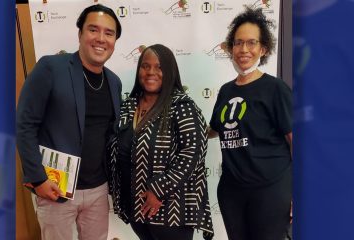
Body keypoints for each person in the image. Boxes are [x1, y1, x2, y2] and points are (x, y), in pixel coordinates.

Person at [16, 4, 122, 240]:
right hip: (55, 189)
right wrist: (38, 178)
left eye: (109, 33)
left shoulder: (114, 82)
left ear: (115, 40)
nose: (101, 39)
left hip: (98, 189)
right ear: (80, 34)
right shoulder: (51, 68)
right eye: (93, 30)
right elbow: (25, 124)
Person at [109, 44, 214, 240]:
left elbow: (193, 154)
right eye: (145, 66)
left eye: (159, 67)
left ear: (170, 71)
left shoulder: (183, 106)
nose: (151, 72)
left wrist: (158, 190)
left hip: (170, 209)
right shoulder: (128, 106)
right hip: (136, 207)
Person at [207, 7, 292, 240]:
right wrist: (185, 126)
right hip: (232, 191)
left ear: (263, 49)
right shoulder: (225, 91)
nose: (243, 49)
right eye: (238, 43)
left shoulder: (275, 89)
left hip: (270, 190)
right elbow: (215, 129)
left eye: (251, 43)